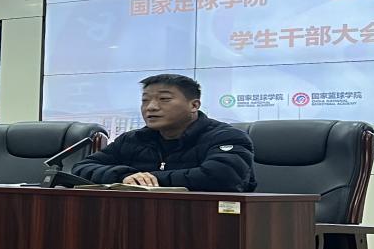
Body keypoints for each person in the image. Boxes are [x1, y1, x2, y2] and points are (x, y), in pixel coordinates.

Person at [71, 74, 256, 192]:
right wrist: (123, 176)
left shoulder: (226, 137)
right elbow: (81, 168)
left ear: (194, 105)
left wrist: (145, 180)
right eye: (145, 100)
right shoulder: (133, 139)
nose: (151, 107)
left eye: (164, 99)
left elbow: (222, 177)